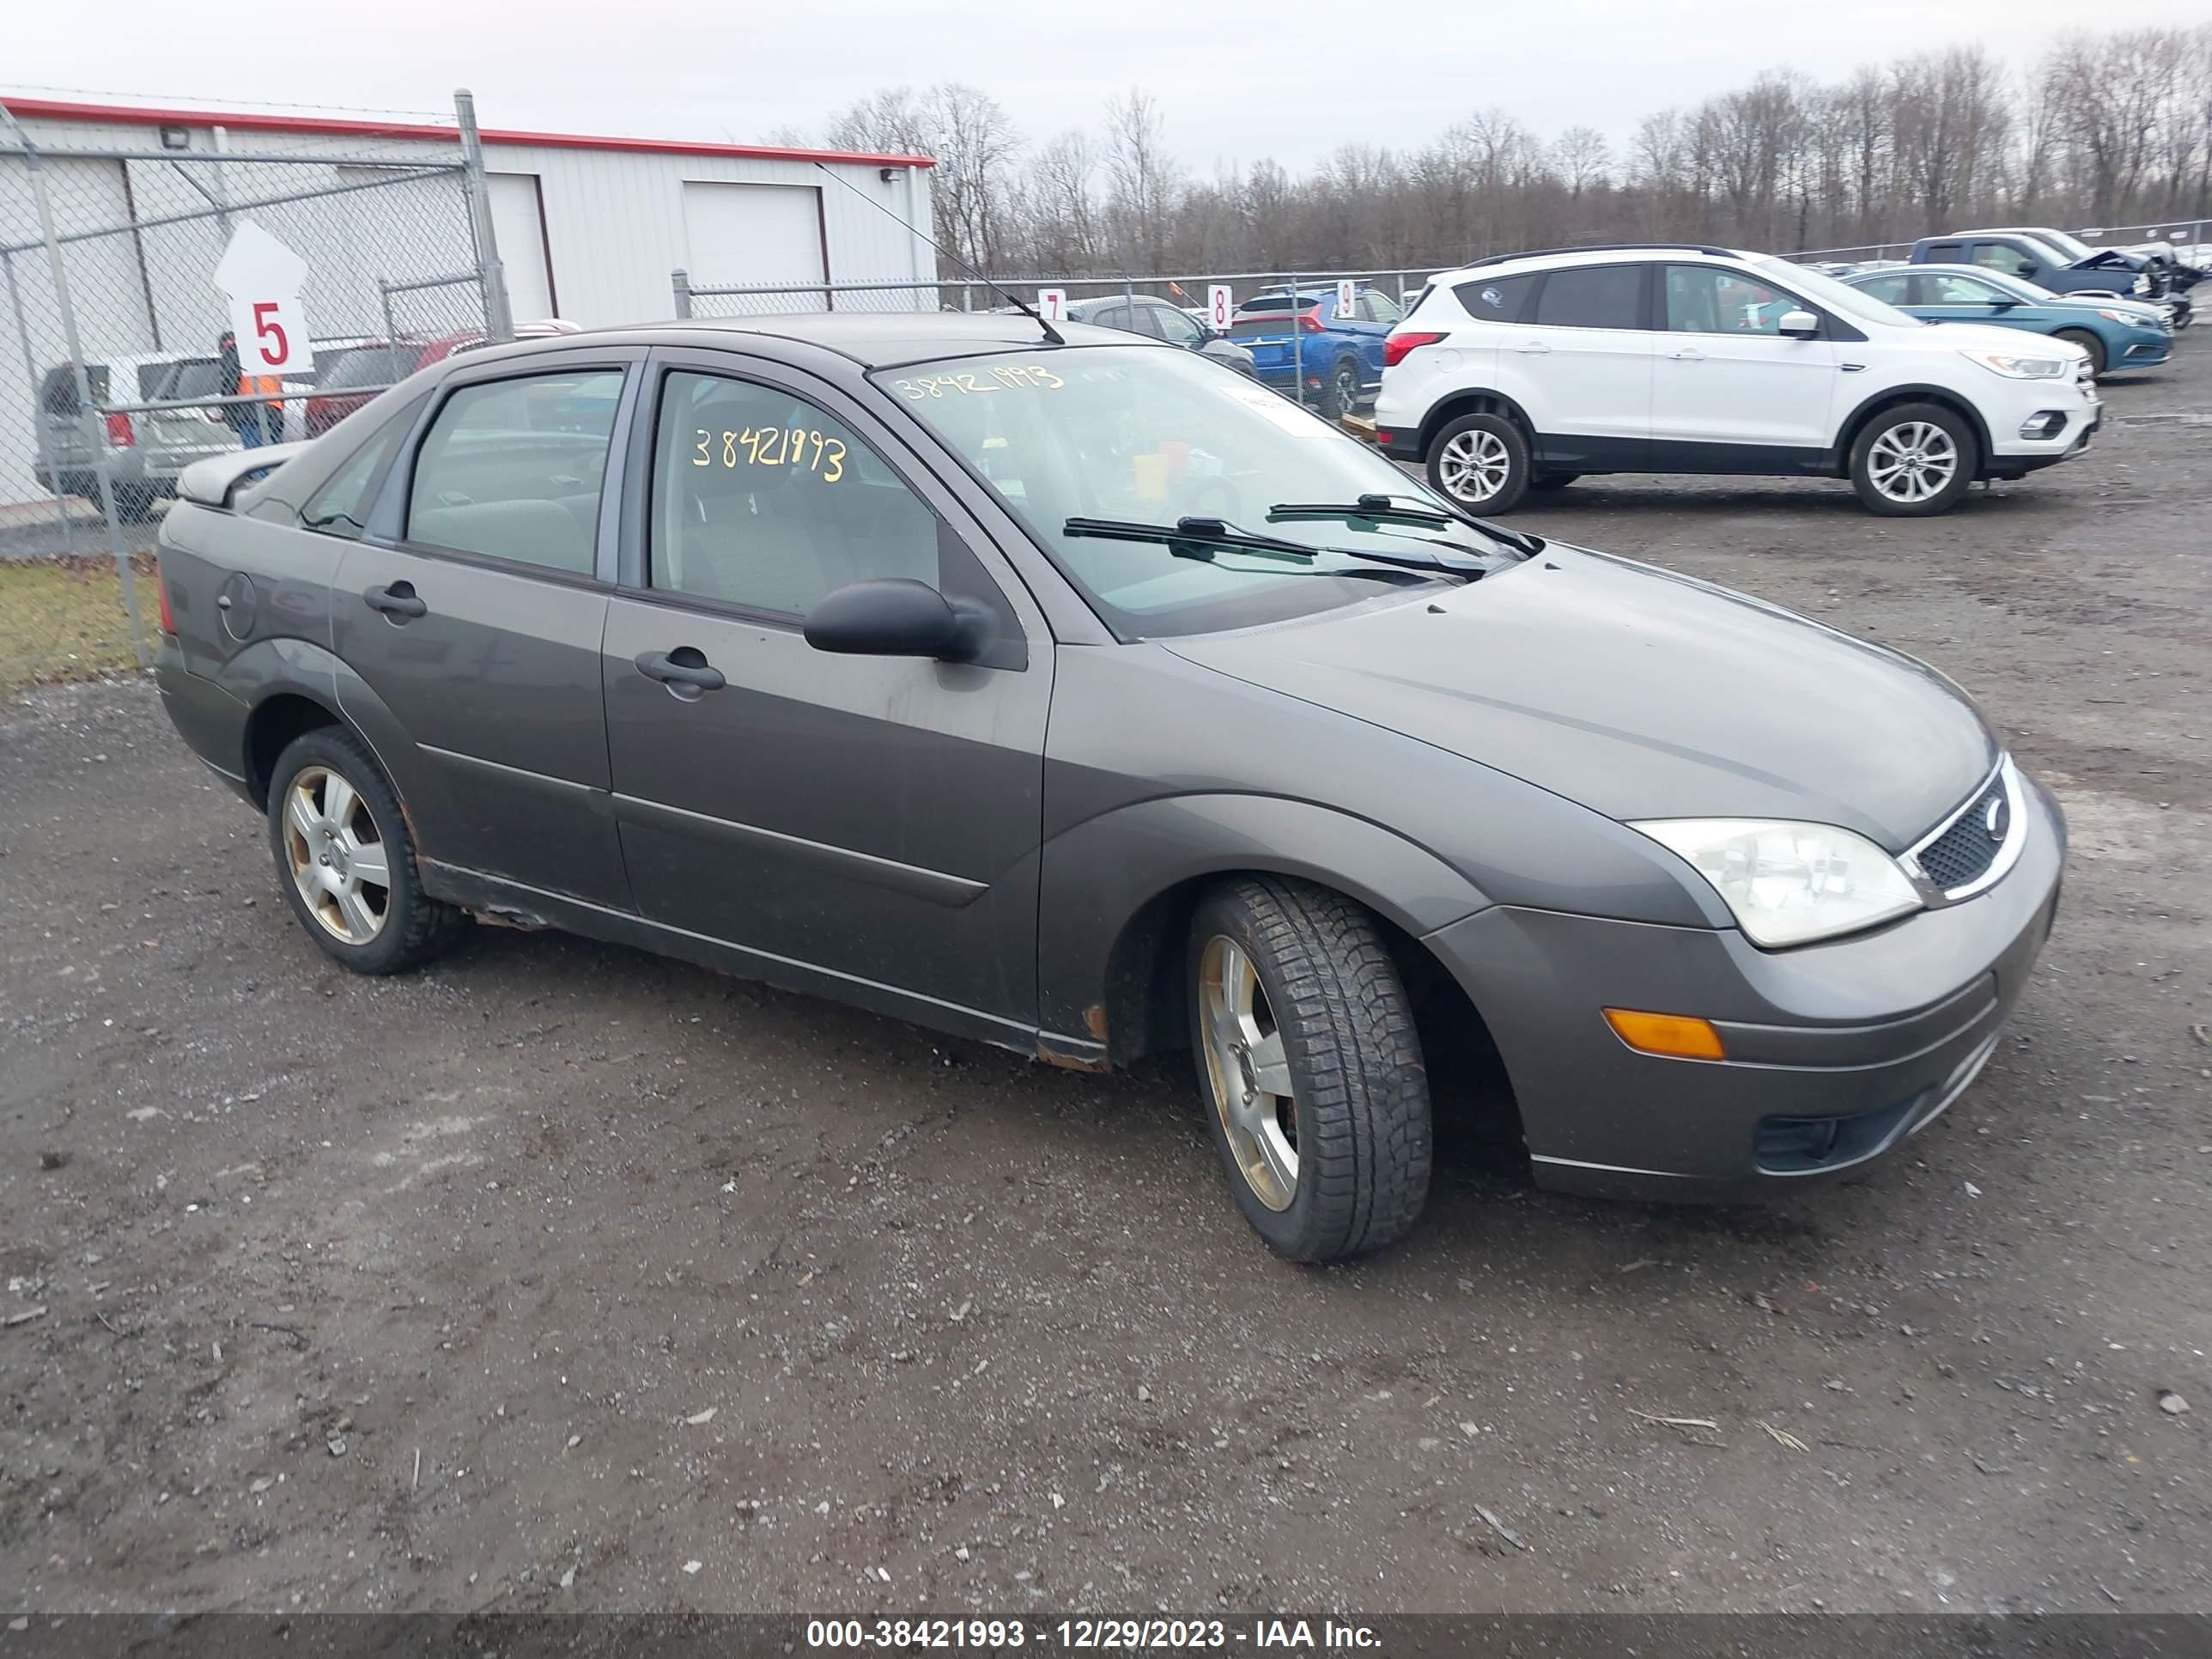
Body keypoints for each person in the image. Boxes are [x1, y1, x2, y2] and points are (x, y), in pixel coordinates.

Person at [216, 330, 279, 447]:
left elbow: (229, 383)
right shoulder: (265, 353)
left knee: (255, 454)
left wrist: (229, 413)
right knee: (274, 454)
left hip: (249, 408)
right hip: (274, 407)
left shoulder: (233, 352)